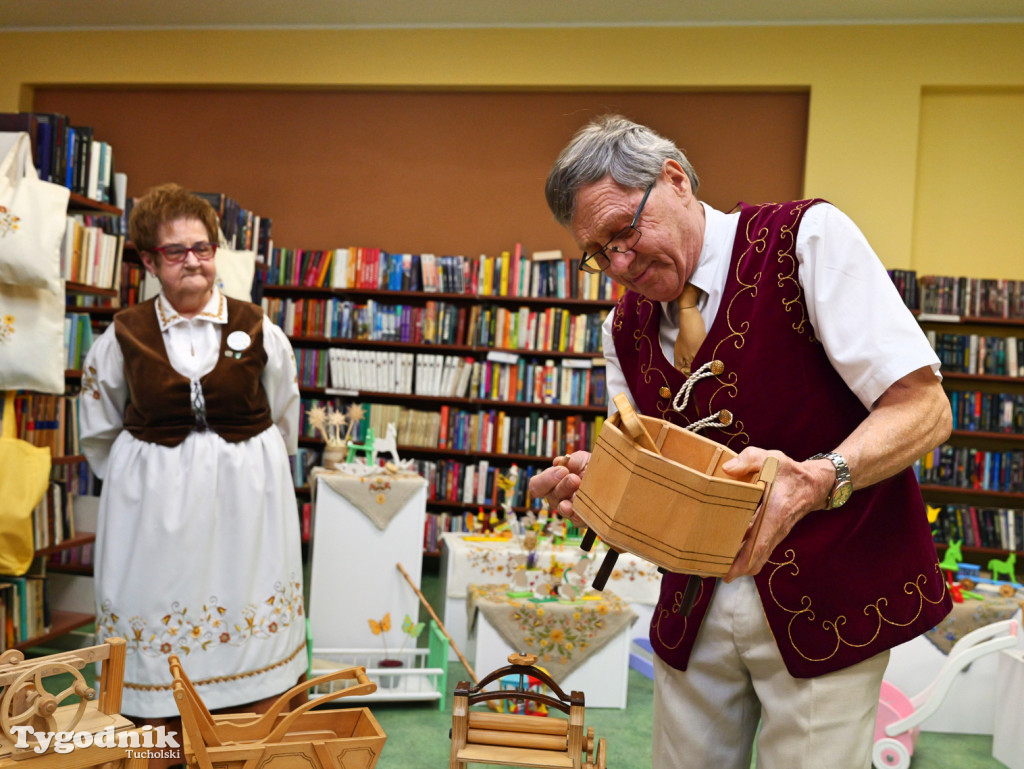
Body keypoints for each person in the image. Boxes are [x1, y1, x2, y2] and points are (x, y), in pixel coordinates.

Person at [530, 115, 953, 769]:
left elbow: (925, 408)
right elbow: (662, 472)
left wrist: (823, 474)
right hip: (693, 605)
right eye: (597, 253)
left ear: (674, 179)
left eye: (624, 231)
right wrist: (608, 488)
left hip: (832, 598)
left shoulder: (806, 239)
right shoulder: (622, 326)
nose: (618, 263)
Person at [79, 184, 306, 748]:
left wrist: (252, 474)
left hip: (247, 511)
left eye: (202, 248)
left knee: (245, 605)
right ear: (150, 261)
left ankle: (245, 730)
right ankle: (158, 737)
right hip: (152, 514)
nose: (193, 262)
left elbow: (284, 414)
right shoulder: (123, 335)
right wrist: (148, 480)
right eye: (176, 252)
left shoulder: (259, 328)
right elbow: (99, 428)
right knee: (154, 612)